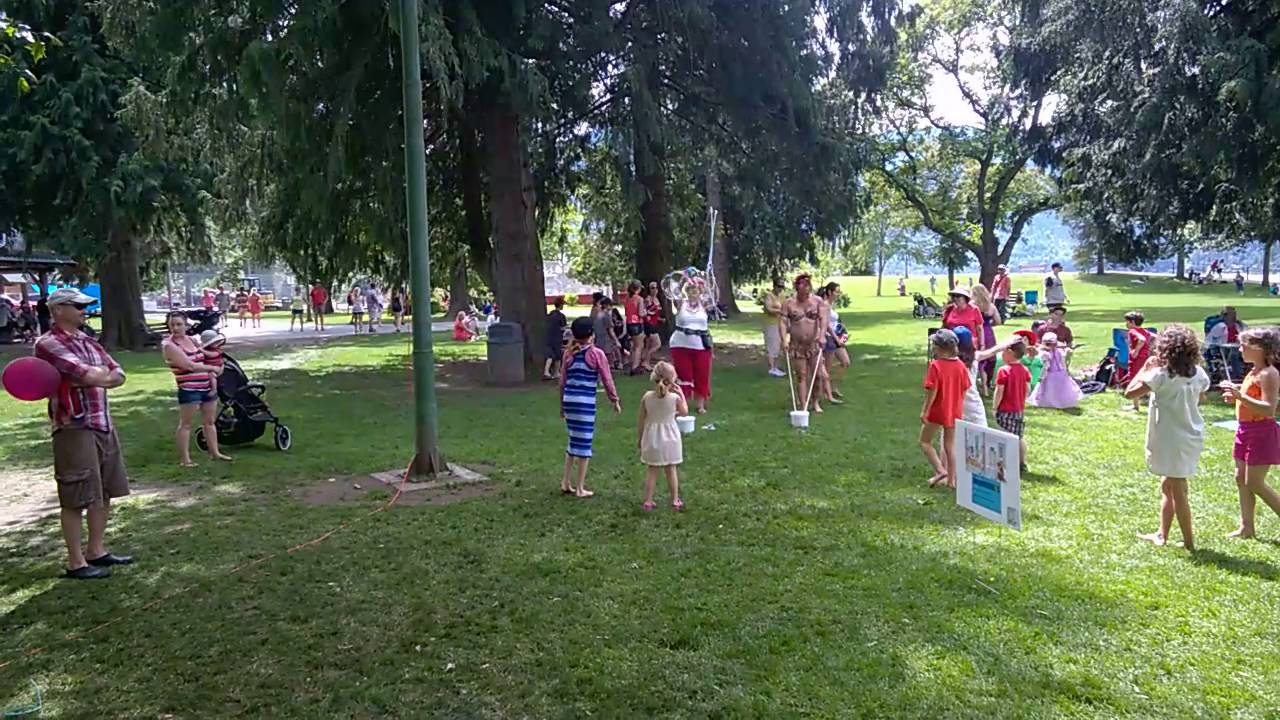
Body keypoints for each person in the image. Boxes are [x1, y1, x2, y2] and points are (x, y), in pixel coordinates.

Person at [32, 289, 132, 579]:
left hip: (103, 423)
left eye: (85, 306)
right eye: (77, 306)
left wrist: (97, 375)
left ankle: (96, 551)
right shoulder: (48, 343)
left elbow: (119, 373)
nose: (84, 310)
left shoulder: (88, 340)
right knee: (76, 495)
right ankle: (76, 563)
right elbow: (88, 375)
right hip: (74, 425)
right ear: (58, 309)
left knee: (105, 491)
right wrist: (97, 376)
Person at [1123, 325, 1210, 550]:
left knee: (1179, 490)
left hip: (1170, 437)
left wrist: (1145, 367)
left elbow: (1129, 392)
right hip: (1191, 434)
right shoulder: (1198, 373)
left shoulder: (1160, 375)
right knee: (1168, 485)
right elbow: (1202, 396)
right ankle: (1162, 534)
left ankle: (1189, 542)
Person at [1220, 327, 1280, 539]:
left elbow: (1268, 408)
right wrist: (1236, 396)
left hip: (1261, 432)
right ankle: (1247, 527)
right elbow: (1250, 399)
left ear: (1258, 348)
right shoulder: (1253, 371)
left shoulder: (1268, 374)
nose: (1240, 349)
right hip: (1245, 430)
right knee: (1240, 477)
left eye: (1243, 346)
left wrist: (1241, 397)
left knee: (1254, 482)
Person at [559, 316, 621, 498]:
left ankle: (565, 481)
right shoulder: (596, 354)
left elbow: (562, 382)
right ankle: (579, 488)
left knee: (573, 440)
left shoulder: (568, 353)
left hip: (570, 400)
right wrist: (614, 400)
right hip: (584, 403)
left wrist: (562, 405)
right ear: (592, 335)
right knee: (584, 443)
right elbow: (607, 379)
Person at [162, 312, 230, 468]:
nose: (175, 328)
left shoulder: (193, 340)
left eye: (179, 324)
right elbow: (189, 366)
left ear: (186, 325)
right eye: (172, 325)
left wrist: (218, 365)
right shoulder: (169, 345)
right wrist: (212, 368)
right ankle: (185, 460)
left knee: (210, 422)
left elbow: (206, 356)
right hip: (189, 388)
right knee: (186, 424)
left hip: (206, 386)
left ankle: (215, 453)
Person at [920, 329, 970, 489]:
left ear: (941, 348)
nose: (932, 347)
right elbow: (964, 389)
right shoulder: (961, 366)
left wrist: (925, 410)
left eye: (934, 344)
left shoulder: (936, 366)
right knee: (950, 445)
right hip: (954, 410)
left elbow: (932, 391)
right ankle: (951, 481)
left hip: (938, 410)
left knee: (924, 441)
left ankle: (940, 470)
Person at [637, 361, 687, 511]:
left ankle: (648, 500)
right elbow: (684, 412)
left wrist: (639, 439)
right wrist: (682, 395)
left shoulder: (647, 397)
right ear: (672, 380)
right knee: (671, 470)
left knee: (652, 470)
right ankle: (675, 500)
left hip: (652, 437)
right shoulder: (674, 398)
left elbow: (641, 420)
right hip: (670, 439)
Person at [782, 274, 827, 414]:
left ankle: (815, 402)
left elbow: (823, 319)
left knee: (818, 375)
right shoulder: (789, 303)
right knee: (801, 375)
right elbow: (782, 323)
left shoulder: (817, 301)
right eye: (802, 286)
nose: (806, 290)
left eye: (808, 286)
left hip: (813, 344)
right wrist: (784, 339)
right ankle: (803, 405)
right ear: (797, 288)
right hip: (797, 345)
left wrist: (822, 335)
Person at [669, 280, 715, 414]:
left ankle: (700, 405)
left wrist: (703, 281)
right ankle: (682, 405)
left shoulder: (704, 305)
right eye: (691, 290)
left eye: (696, 290)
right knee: (684, 375)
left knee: (702, 374)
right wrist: (684, 278)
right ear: (686, 291)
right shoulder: (680, 304)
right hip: (680, 344)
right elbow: (674, 292)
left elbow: (712, 294)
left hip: (701, 345)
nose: (694, 293)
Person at [994, 339, 1032, 470]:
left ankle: (1005, 462)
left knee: (1004, 436)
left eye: (1003, 351)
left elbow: (1000, 391)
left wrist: (995, 407)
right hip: (1018, 409)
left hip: (1005, 409)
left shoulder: (1004, 370)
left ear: (1009, 352)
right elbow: (1028, 389)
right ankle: (1022, 462)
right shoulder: (1025, 370)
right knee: (1019, 437)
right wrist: (1022, 399)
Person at [1030, 332, 1082, 409]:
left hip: (1060, 373)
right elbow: (1043, 366)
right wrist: (1041, 375)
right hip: (1050, 374)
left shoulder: (1058, 352)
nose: (1052, 347)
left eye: (1054, 345)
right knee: (1048, 390)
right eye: (1049, 344)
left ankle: (1061, 400)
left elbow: (1062, 362)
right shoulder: (1044, 354)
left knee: (1062, 389)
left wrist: (1065, 369)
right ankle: (1047, 401)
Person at [820, 282, 850, 404]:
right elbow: (826, 324)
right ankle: (825, 392)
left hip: (837, 336)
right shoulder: (825, 304)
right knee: (827, 366)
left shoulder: (832, 305)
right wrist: (836, 338)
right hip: (829, 337)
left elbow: (835, 322)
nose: (838, 293)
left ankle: (833, 387)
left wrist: (843, 333)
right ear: (829, 292)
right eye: (836, 291)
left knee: (846, 362)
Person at [971, 284, 1000, 392]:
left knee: (977, 356)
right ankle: (987, 382)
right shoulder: (991, 306)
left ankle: (980, 382)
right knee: (990, 355)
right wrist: (989, 324)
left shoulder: (972, 306)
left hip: (975, 331)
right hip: (988, 332)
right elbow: (998, 321)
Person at [1206, 306, 1248, 381]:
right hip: (1221, 349)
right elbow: (1209, 340)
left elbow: (1246, 335)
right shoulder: (1219, 327)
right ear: (1225, 316)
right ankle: (1237, 376)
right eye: (1231, 314)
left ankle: (1246, 372)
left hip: (1236, 346)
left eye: (1235, 314)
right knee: (1234, 354)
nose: (1234, 316)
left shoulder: (1239, 325)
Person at [1122, 311, 1153, 411]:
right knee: (1146, 378)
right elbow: (1154, 337)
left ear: (1132, 322)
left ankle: (1135, 406)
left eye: (1127, 322)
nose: (1126, 324)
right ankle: (1148, 398)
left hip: (1136, 360)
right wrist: (1150, 349)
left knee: (1134, 379)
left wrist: (1136, 351)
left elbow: (1142, 340)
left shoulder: (1133, 331)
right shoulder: (1145, 331)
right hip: (1145, 359)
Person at [761, 278, 787, 377]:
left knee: (779, 345)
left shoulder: (782, 296)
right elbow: (768, 309)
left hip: (780, 323)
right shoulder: (769, 296)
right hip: (771, 324)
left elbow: (785, 306)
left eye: (782, 287)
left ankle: (776, 367)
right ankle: (772, 368)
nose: (781, 289)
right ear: (774, 286)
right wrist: (779, 311)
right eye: (779, 286)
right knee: (772, 345)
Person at [543, 298, 568, 380]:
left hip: (548, 336)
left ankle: (546, 371)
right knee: (558, 355)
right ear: (560, 305)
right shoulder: (561, 316)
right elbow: (563, 328)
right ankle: (556, 372)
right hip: (557, 337)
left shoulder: (550, 315)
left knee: (550, 355)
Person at [624, 281, 646, 375]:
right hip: (637, 323)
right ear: (638, 289)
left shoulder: (627, 298)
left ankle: (631, 363)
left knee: (633, 346)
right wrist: (646, 312)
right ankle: (635, 367)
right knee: (639, 346)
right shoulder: (639, 299)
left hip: (629, 323)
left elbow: (626, 312)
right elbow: (641, 313)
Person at [593, 297, 622, 368]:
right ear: (606, 305)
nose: (611, 307)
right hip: (606, 340)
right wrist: (616, 341)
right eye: (610, 305)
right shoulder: (606, 315)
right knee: (608, 358)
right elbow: (610, 330)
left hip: (598, 339)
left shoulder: (598, 315)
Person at [642, 283, 663, 368]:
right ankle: (645, 361)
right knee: (657, 344)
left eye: (656, 288)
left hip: (655, 323)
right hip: (649, 324)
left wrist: (660, 319)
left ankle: (646, 361)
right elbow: (644, 312)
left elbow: (655, 314)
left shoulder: (657, 299)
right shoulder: (648, 299)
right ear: (649, 289)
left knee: (648, 344)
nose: (655, 290)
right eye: (652, 288)